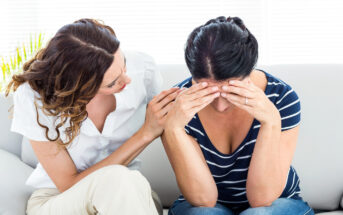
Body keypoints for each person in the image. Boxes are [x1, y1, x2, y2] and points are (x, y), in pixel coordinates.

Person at [6, 18, 178, 215]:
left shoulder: (143, 68)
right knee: (119, 179)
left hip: (129, 194)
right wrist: (145, 134)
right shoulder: (34, 97)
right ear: (79, 88)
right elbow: (68, 183)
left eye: (124, 66)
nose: (127, 79)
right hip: (59, 199)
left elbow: (170, 122)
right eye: (112, 83)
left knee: (127, 182)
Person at [162, 16, 315, 215]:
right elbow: (203, 200)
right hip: (205, 206)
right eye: (206, 91)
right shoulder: (175, 106)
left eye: (230, 91)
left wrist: (271, 121)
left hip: (276, 204)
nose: (220, 105)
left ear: (248, 73)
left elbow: (262, 199)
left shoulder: (281, 97)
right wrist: (173, 128)